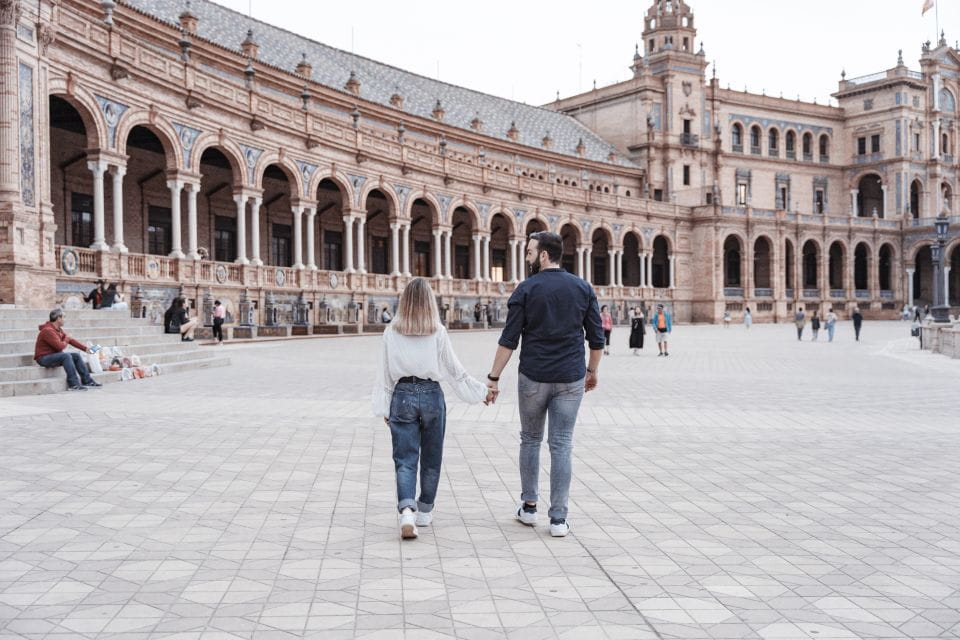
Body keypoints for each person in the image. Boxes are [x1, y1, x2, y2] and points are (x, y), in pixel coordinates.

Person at [485, 231, 604, 538]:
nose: (526, 257)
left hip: (534, 376)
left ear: (544, 255)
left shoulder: (526, 289)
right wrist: (592, 371)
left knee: (530, 439)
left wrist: (494, 378)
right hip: (570, 377)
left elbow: (509, 340)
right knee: (562, 444)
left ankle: (529, 507)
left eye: (529, 252)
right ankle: (559, 518)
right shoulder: (582, 288)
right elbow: (597, 339)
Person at [372, 278, 488, 539]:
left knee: (404, 459)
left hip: (401, 395)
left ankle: (406, 512)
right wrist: (481, 392)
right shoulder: (437, 330)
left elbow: (384, 374)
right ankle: (425, 510)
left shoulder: (391, 331)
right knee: (432, 457)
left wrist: (385, 408)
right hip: (432, 395)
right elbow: (455, 371)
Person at [34, 309, 102, 391]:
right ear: (58, 318)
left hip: (53, 356)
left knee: (76, 356)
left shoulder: (57, 329)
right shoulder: (48, 331)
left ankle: (87, 381)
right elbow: (60, 347)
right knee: (66, 356)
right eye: (64, 317)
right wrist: (66, 339)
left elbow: (71, 340)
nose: (65, 320)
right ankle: (73, 384)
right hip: (43, 358)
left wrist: (86, 349)